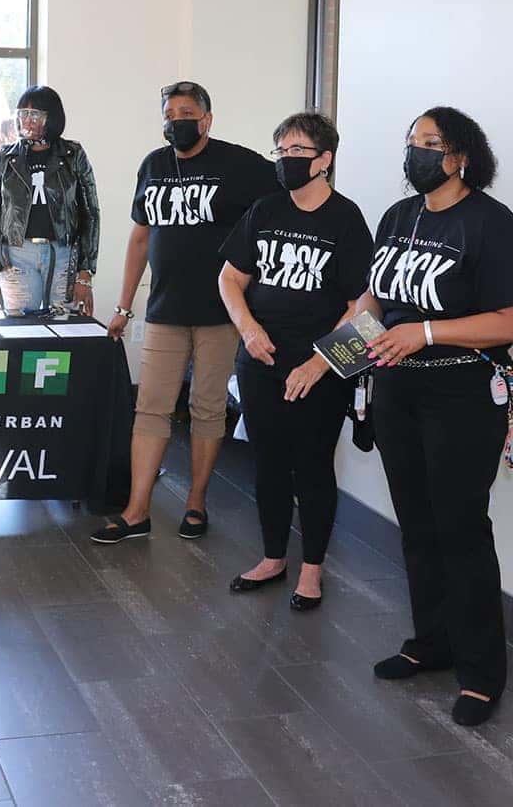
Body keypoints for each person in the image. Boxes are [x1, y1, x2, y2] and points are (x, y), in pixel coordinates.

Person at [358, 107, 513, 726]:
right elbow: (373, 300)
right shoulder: (399, 216)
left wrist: (427, 332)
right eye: (411, 142)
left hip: (461, 397)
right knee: (417, 525)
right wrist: (331, 359)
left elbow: (507, 320)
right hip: (397, 393)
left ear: (460, 156)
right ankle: (434, 643)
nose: (416, 153)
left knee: (460, 529)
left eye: (430, 143)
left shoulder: (492, 223)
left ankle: (482, 671)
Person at [93, 80, 278, 544]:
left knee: (207, 409)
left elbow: (282, 210)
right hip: (164, 309)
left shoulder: (240, 165)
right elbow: (139, 238)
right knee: (151, 408)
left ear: (207, 119)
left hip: (221, 313)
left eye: (186, 111)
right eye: (169, 113)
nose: (177, 120)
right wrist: (123, 306)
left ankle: (196, 502)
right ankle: (137, 511)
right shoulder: (154, 165)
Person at [217, 112, 372, 610]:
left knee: (312, 467)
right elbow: (229, 278)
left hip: (319, 370)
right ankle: (273, 557)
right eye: (280, 152)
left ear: (324, 160)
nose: (286, 161)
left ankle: (312, 570)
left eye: (297, 153)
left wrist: (321, 362)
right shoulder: (265, 210)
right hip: (260, 359)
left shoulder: (346, 220)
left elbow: (363, 308)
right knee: (268, 464)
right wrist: (248, 328)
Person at [0, 86, 100, 316]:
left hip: (64, 254)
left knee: (63, 327)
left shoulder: (73, 155)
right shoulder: (6, 158)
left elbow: (91, 214)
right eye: (23, 113)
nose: (27, 120)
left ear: (52, 117)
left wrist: (85, 273)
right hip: (16, 256)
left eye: (35, 114)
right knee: (21, 331)